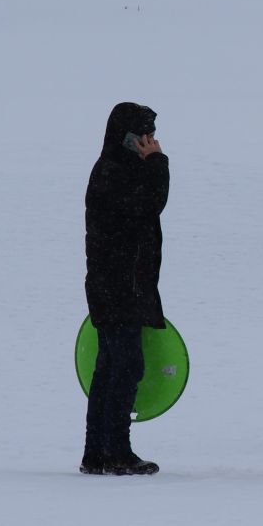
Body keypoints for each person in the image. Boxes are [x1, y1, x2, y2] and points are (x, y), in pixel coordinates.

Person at [82, 102, 168, 476]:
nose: (149, 141)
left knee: (110, 366)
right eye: (143, 134)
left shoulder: (121, 168)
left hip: (119, 284)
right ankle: (115, 450)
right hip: (115, 285)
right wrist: (158, 164)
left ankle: (96, 453)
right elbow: (149, 206)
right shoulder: (112, 170)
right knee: (124, 365)